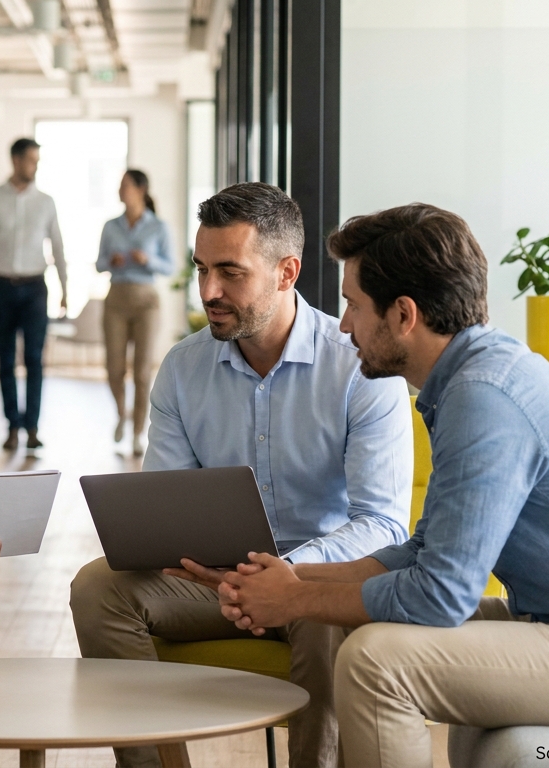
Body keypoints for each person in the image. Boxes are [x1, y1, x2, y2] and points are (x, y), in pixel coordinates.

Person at [201, 203, 549, 768]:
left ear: (404, 315)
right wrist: (292, 579)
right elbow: (426, 551)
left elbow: (441, 595)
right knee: (359, 634)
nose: (345, 325)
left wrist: (295, 597)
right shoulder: (471, 380)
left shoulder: (485, 397)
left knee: (377, 662)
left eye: (353, 305)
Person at [69, 182, 413, 768]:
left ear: (287, 272)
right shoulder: (183, 368)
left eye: (230, 272)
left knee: (319, 603)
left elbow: (383, 523)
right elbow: (165, 502)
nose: (208, 291)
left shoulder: (359, 367)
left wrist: (290, 576)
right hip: (213, 577)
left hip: (314, 574)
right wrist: (182, 551)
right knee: (98, 588)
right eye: (202, 269)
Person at [0, 137, 67, 452]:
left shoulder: (46, 202)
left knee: (35, 359)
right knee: (6, 360)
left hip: (36, 287)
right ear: (15, 160)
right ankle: (12, 427)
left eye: (37, 161)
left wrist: (65, 288)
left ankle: (33, 427)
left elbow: (58, 247)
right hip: (0, 287)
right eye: (31, 160)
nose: (35, 166)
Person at [96, 169, 175, 456]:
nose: (120, 189)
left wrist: (148, 259)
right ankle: (121, 414)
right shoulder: (110, 226)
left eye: (125, 185)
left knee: (142, 372)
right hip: (116, 298)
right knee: (114, 368)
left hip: (146, 301)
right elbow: (98, 264)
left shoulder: (158, 227)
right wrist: (111, 260)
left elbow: (171, 267)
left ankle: (138, 433)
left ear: (141, 189)